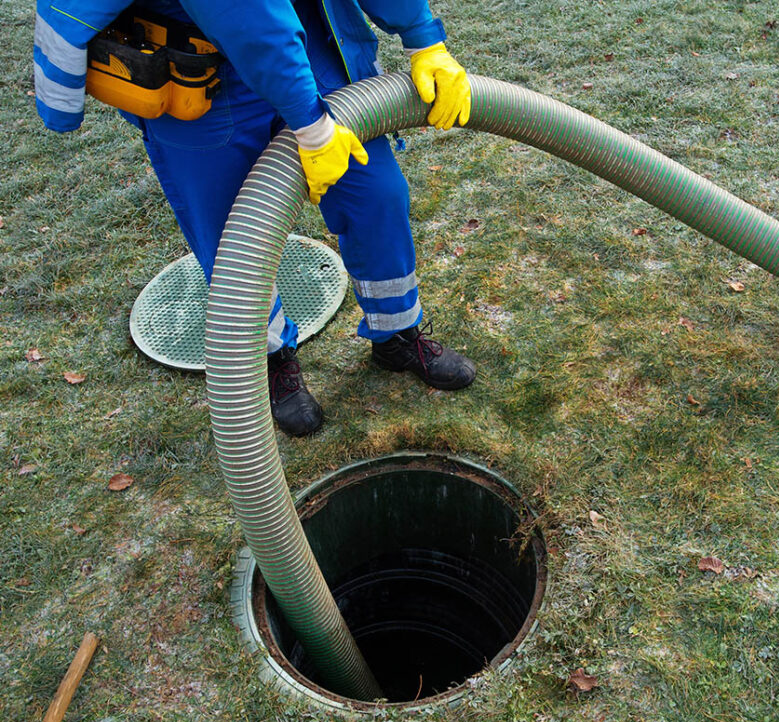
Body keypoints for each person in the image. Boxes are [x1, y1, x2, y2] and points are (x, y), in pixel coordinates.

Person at [33, 0, 477, 437]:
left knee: (376, 194)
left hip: (305, 37)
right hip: (191, 63)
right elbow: (244, 14)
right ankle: (273, 359)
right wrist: (312, 126)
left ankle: (396, 334)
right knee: (233, 238)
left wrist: (422, 37)